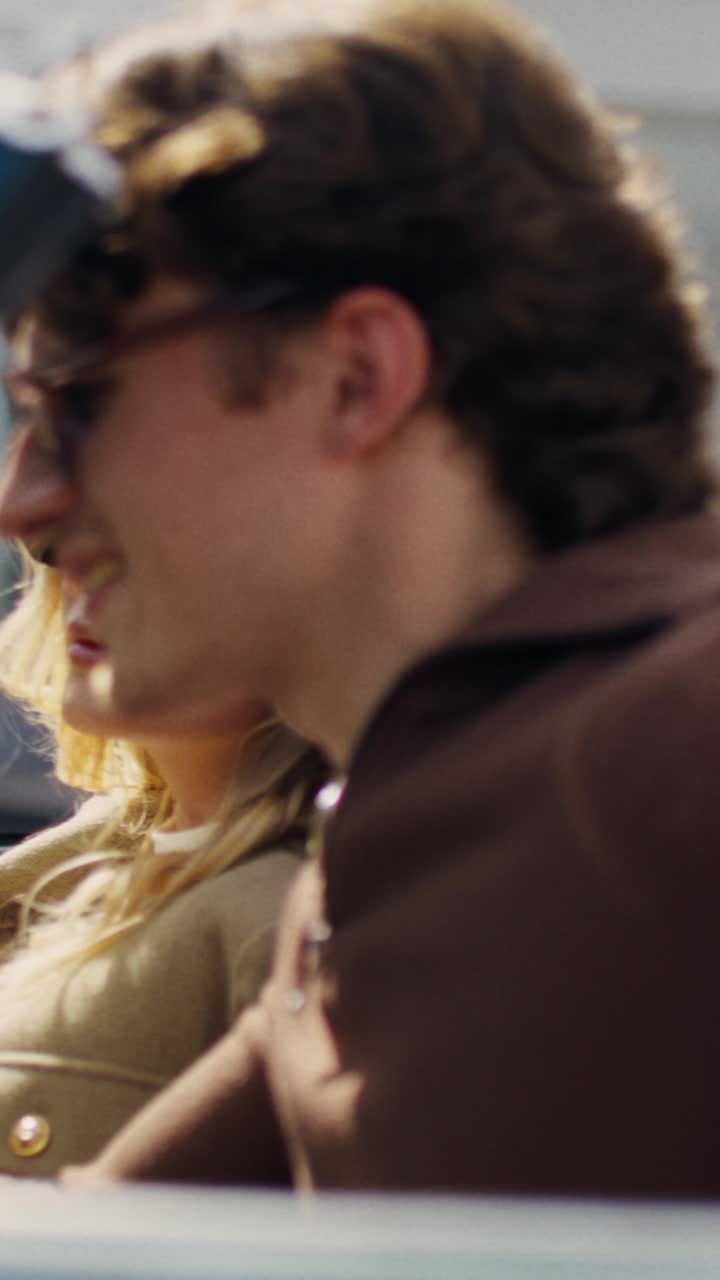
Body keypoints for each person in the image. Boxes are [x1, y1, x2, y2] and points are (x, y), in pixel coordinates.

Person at [2, 0, 720, 1194]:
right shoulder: (408, 824)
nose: (23, 501)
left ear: (356, 375)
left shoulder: (666, 747)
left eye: (76, 395)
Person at [0, 550, 326, 1176]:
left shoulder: (279, 920)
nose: (74, 567)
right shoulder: (85, 861)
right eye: (66, 545)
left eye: (127, 545)